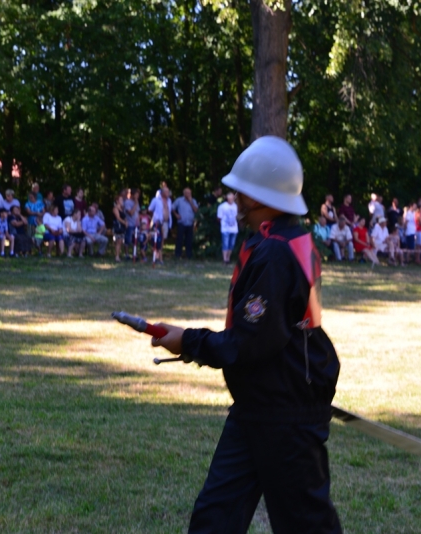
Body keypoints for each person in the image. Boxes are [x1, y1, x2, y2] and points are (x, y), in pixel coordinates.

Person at [149, 136, 341, 533]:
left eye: (240, 192)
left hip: (284, 412)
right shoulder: (280, 241)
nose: (235, 198)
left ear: (257, 197)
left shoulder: (275, 254)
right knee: (214, 517)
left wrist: (188, 341)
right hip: (258, 403)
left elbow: (251, 343)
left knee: (305, 525)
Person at [172, 187, 199, 259]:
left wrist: (191, 202)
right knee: (179, 239)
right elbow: (172, 208)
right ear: (184, 193)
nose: (188, 194)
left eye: (189, 193)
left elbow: (196, 210)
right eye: (187, 193)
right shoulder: (179, 200)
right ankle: (178, 254)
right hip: (181, 222)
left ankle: (188, 254)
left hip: (190, 223)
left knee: (189, 240)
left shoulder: (193, 200)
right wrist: (176, 215)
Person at [217, 192, 239, 264]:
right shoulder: (222, 206)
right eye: (231, 197)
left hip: (234, 229)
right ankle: (225, 259)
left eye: (233, 197)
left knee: (231, 244)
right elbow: (219, 217)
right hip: (225, 228)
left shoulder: (235, 206)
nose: (233, 199)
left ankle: (228, 258)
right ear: (228, 198)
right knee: (225, 244)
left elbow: (237, 216)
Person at [112, 196, 128, 262]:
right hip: (117, 227)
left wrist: (126, 222)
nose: (122, 201)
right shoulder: (115, 208)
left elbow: (124, 217)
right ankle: (117, 256)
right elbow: (118, 218)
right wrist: (124, 223)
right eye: (121, 200)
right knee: (118, 241)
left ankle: (118, 255)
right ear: (117, 201)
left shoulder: (122, 209)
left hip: (122, 227)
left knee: (121, 242)